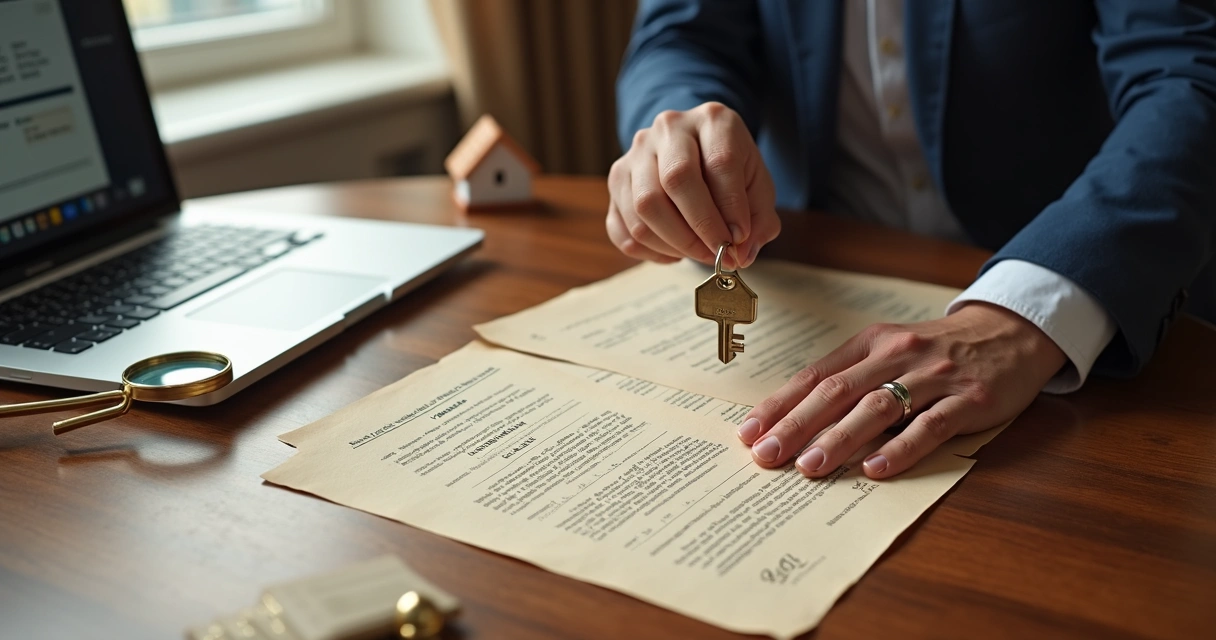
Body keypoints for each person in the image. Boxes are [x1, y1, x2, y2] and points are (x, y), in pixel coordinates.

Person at [610, 1, 1216, 480]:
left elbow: (1185, 76)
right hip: (812, 256)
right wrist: (683, 128)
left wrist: (1027, 313)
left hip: (1075, 284)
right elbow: (683, 37)